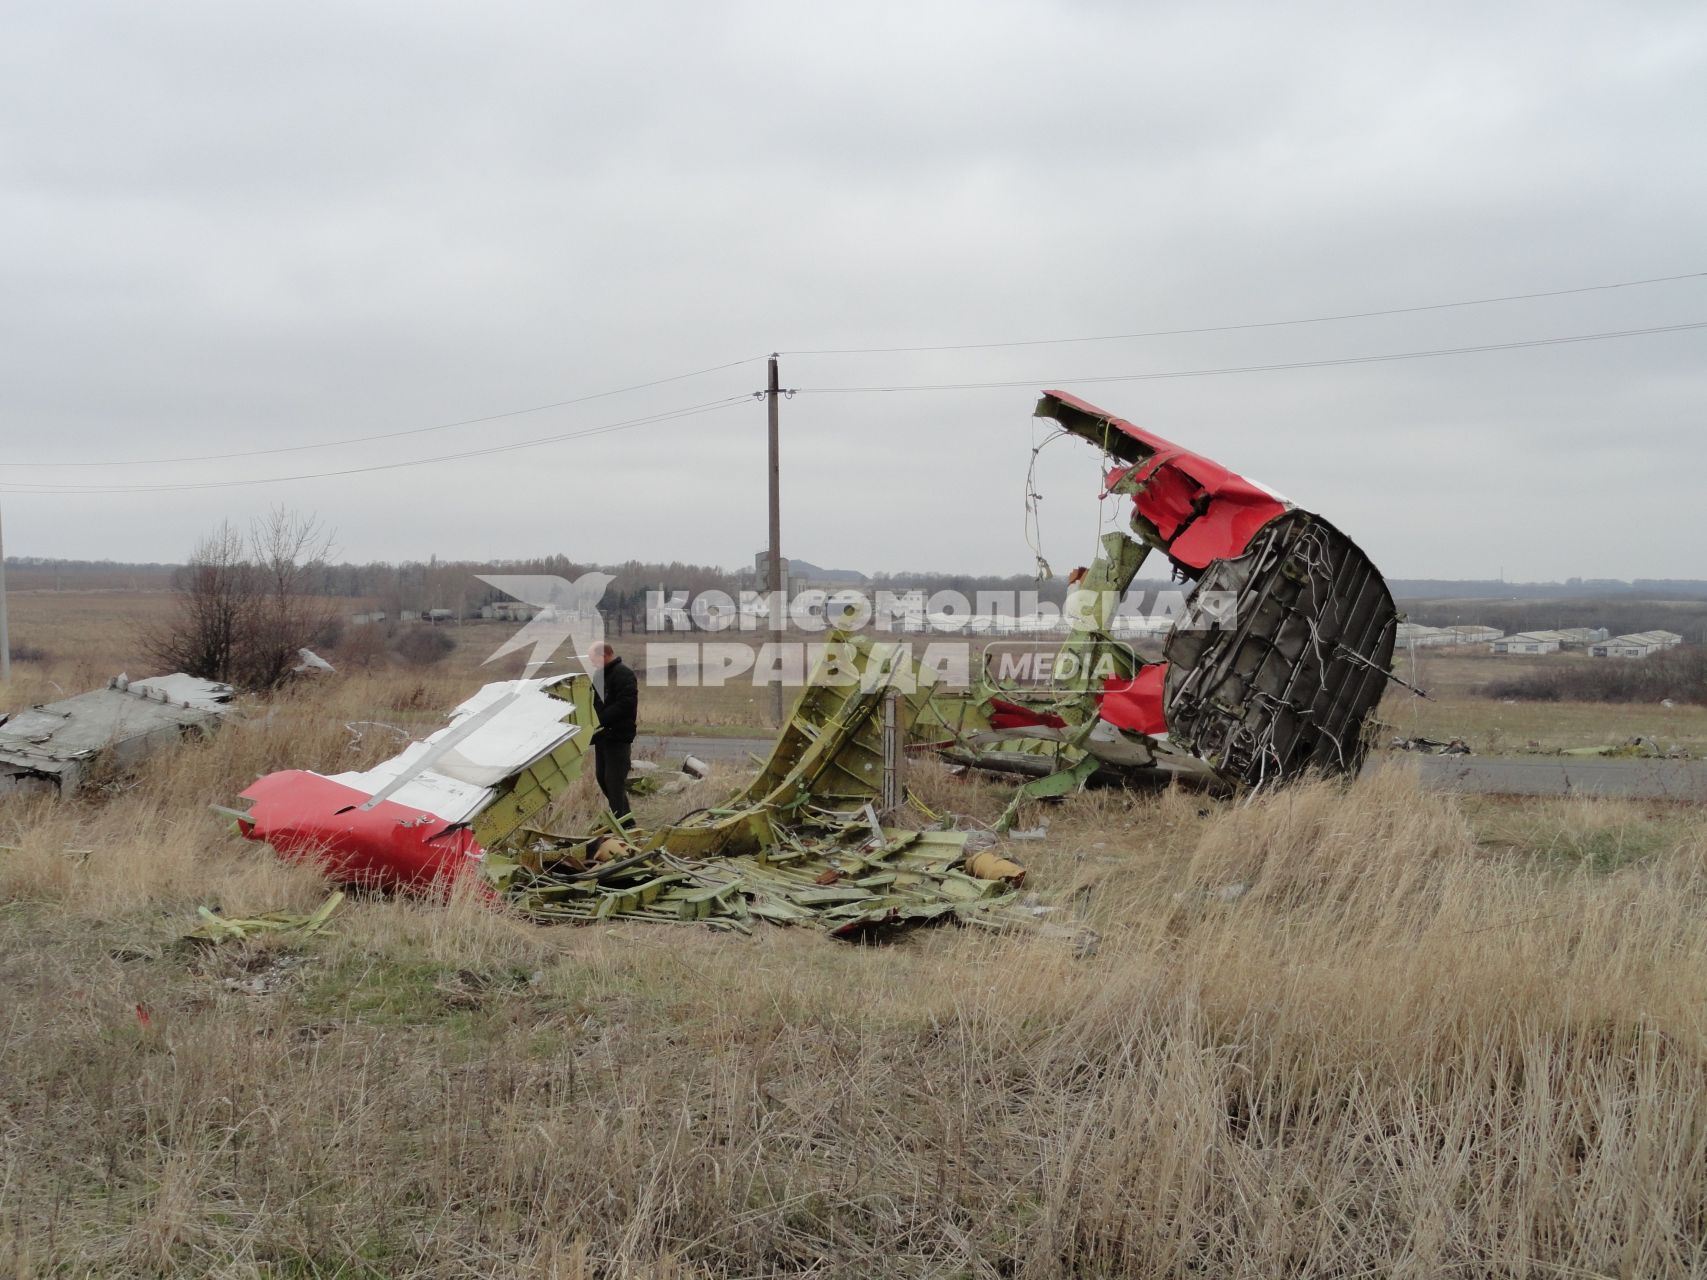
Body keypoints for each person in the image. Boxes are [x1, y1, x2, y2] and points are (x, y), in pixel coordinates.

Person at [587, 642, 637, 822]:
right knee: (602, 778)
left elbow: (626, 704)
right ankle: (625, 819)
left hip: (618, 736)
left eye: (593, 659)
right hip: (602, 737)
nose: (592, 663)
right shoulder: (599, 676)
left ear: (604, 655)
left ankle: (624, 824)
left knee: (614, 781)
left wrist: (600, 719)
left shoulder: (624, 674)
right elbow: (594, 702)